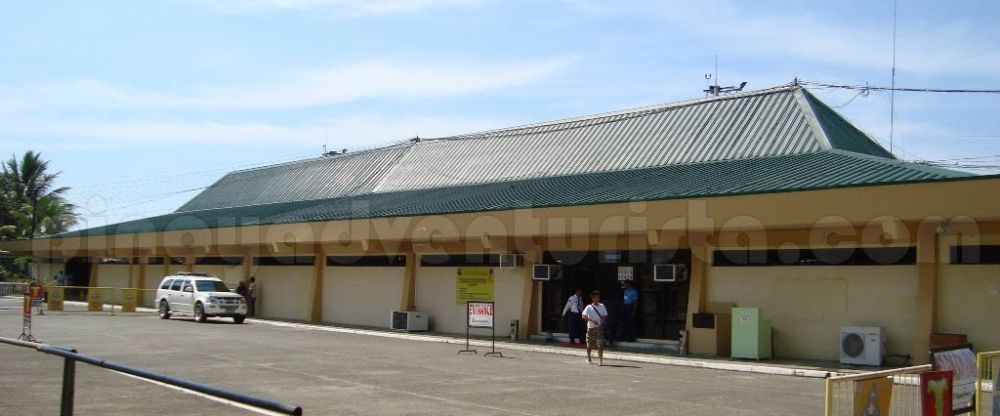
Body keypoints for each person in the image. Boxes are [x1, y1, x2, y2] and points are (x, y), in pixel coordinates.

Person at [581, 290, 608, 366]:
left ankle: (600, 360)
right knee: (589, 344)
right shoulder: (589, 307)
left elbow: (605, 315)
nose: (597, 299)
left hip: (599, 328)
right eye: (595, 297)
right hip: (591, 328)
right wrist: (591, 320)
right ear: (592, 298)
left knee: (600, 344)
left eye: (598, 297)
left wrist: (602, 321)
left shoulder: (602, 306)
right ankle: (589, 357)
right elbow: (583, 316)